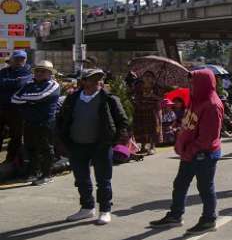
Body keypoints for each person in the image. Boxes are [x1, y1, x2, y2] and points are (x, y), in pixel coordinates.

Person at [149, 69, 224, 235]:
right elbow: (188, 125)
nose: (191, 85)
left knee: (205, 187)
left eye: (194, 82)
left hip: (204, 154)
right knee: (180, 184)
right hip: (189, 153)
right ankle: (176, 215)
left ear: (203, 83)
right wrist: (180, 142)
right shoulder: (196, 100)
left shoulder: (212, 105)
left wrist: (189, 149)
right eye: (190, 82)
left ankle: (209, 219)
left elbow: (207, 138)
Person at [57, 68, 128, 225]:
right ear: (83, 82)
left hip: (101, 146)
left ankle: (105, 210)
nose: (97, 82)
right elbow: (62, 119)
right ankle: (87, 208)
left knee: (103, 180)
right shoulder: (73, 98)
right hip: (77, 145)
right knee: (81, 179)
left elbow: (122, 122)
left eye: (99, 79)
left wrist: (113, 141)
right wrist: (63, 139)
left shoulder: (109, 99)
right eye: (92, 79)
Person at [11, 60, 60, 185]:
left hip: (45, 122)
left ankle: (47, 175)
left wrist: (26, 99)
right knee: (30, 148)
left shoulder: (53, 84)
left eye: (43, 71)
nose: (39, 73)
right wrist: (31, 100)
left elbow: (40, 96)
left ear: (49, 73)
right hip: (29, 122)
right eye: (37, 71)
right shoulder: (29, 84)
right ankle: (33, 173)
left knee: (46, 149)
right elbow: (15, 98)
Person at [0, 50, 32, 164]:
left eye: (22, 59)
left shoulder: (27, 72)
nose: (19, 61)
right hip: (2, 107)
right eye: (17, 59)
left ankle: (10, 160)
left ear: (25, 60)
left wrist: (6, 83)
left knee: (16, 136)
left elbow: (21, 84)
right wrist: (14, 82)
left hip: (17, 110)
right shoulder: (3, 71)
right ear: (12, 60)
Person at [133, 71, 162, 155]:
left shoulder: (156, 87)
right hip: (140, 109)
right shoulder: (138, 86)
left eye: (149, 76)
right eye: (145, 76)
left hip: (152, 109)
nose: (147, 78)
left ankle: (152, 146)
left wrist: (152, 95)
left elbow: (160, 98)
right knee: (141, 128)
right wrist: (138, 97)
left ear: (153, 78)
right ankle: (142, 147)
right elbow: (135, 95)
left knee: (152, 128)